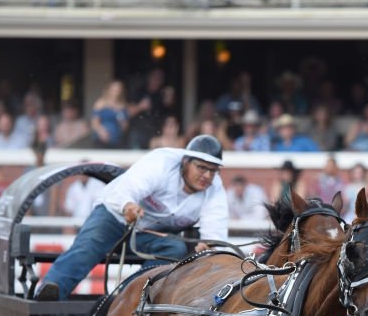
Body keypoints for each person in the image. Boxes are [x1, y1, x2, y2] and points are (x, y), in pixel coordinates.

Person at [35, 135, 229, 301]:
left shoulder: (215, 188)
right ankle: (51, 293)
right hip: (114, 217)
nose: (207, 176)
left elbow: (215, 231)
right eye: (201, 168)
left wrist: (209, 246)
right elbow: (127, 189)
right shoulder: (161, 162)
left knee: (175, 249)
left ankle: (126, 298)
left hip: (147, 235)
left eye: (213, 171)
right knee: (87, 249)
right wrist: (128, 205)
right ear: (185, 162)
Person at [91, 80, 130, 149]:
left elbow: (125, 127)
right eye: (114, 89)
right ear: (109, 90)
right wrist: (101, 131)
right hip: (100, 139)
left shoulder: (122, 106)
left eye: (118, 89)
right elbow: (94, 122)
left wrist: (120, 117)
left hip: (116, 140)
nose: (116, 91)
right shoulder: (101, 103)